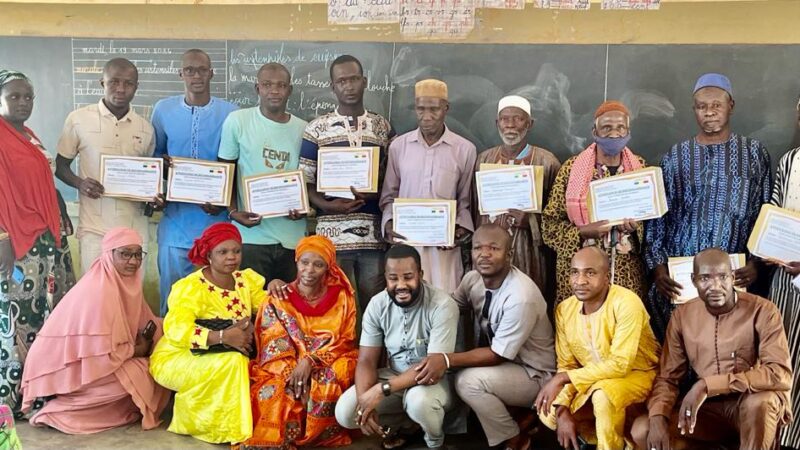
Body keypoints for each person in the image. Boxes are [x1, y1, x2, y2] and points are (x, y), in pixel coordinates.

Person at [644, 73, 772, 341]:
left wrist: (756, 264)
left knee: (733, 349)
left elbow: (765, 212)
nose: (709, 113)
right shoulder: (675, 156)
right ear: (694, 111)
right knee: (683, 348)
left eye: (716, 105)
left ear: (731, 106)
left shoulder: (753, 153)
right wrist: (658, 269)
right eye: (702, 107)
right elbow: (658, 218)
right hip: (683, 278)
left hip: (736, 276)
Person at [632, 248, 792, 450]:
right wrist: (657, 415)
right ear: (694, 280)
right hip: (708, 410)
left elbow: (779, 374)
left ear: (733, 277)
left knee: (760, 403)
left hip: (750, 404)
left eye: (723, 277)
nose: (716, 286)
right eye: (705, 278)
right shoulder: (683, 316)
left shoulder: (763, 310)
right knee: (642, 429)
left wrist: (707, 385)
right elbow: (668, 377)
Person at [413, 223, 556, 450]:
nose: (484, 254)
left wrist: (447, 359)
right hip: (507, 367)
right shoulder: (473, 280)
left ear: (509, 255)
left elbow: (497, 355)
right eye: (478, 248)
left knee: (468, 381)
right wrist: (417, 295)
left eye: (493, 248)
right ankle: (517, 418)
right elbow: (449, 307)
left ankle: (514, 437)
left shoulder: (520, 296)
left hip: (534, 373)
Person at [19, 227, 169, 433]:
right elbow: (100, 355)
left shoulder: (125, 283)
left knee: (163, 352)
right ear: (109, 254)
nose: (133, 261)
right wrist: (138, 351)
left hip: (98, 365)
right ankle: (59, 412)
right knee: (146, 373)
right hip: (74, 373)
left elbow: (146, 321)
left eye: (137, 254)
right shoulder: (100, 290)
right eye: (125, 254)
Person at [0, 69, 76, 418]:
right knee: (20, 319)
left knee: (48, 315)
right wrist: (1, 237)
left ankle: (40, 389)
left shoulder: (27, 134)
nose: (22, 102)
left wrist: (60, 211)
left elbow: (42, 180)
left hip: (46, 238)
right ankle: (13, 398)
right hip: (18, 243)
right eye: (14, 96)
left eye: (27, 96)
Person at [149, 223, 265, 444]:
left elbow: (267, 306)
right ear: (208, 255)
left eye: (236, 251)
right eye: (223, 252)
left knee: (241, 360)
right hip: (178, 356)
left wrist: (276, 290)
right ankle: (225, 430)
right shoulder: (190, 287)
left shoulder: (245, 280)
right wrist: (222, 337)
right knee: (233, 361)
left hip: (224, 350)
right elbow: (176, 329)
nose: (231, 257)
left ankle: (225, 425)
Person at [335, 245, 459, 450]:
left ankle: (435, 441)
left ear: (420, 274)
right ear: (385, 277)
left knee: (419, 401)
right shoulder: (377, 304)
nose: (401, 285)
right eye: (393, 278)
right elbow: (366, 360)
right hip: (394, 376)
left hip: (436, 382)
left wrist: (381, 390)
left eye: (408, 277)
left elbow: (433, 367)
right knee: (346, 413)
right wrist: (366, 400)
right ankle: (408, 424)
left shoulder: (442, 305)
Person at [535, 246, 660, 450]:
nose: (580, 280)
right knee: (547, 410)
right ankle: (608, 440)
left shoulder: (626, 303)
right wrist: (562, 409)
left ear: (606, 276)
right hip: (593, 380)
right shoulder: (565, 309)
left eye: (590, 273)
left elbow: (620, 365)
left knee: (603, 394)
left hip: (639, 375)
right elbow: (567, 364)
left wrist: (562, 379)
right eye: (575, 272)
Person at [240, 235, 358, 449]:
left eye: (318, 264)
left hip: (328, 360)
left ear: (328, 268)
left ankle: (320, 435)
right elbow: (270, 340)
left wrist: (310, 362)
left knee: (334, 377)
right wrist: (293, 373)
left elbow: (345, 340)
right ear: (296, 261)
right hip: (286, 363)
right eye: (305, 262)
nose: (309, 270)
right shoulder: (278, 298)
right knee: (276, 391)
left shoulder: (342, 297)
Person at [300, 55, 393, 312]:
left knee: (376, 309)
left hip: (373, 238)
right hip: (331, 240)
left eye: (353, 79)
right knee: (334, 310)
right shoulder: (316, 129)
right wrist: (328, 206)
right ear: (333, 86)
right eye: (341, 81)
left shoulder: (382, 127)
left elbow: (392, 180)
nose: (348, 86)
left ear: (364, 82)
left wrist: (373, 194)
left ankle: (373, 354)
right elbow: (304, 182)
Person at [150, 49, 238, 315]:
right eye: (190, 70)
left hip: (217, 222)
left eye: (202, 70)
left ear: (212, 73)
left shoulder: (231, 113)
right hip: (176, 223)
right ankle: (170, 354)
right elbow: (155, 158)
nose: (196, 76)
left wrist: (224, 201)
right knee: (174, 300)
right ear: (181, 74)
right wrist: (160, 181)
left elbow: (235, 163)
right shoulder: (163, 110)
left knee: (216, 305)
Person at [55, 58, 157, 274]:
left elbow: (149, 177)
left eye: (128, 83)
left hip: (135, 230)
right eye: (114, 82)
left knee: (130, 298)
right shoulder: (78, 119)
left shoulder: (145, 128)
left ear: (136, 87)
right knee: (94, 299)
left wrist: (153, 197)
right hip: (95, 230)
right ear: (102, 82)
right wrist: (80, 183)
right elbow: (61, 166)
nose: (121, 89)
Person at [542, 100, 647, 305]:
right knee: (581, 332)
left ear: (628, 131)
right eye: (606, 127)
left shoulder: (641, 168)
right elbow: (549, 226)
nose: (614, 134)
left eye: (620, 127)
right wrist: (583, 232)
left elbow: (653, 224)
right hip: (581, 276)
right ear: (594, 131)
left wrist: (635, 230)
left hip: (625, 276)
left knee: (623, 330)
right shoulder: (572, 169)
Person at [380, 79, 476, 294]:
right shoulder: (398, 147)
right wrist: (389, 224)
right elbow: (389, 196)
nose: (427, 116)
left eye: (434, 109)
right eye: (421, 109)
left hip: (444, 250)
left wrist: (459, 231)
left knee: (445, 305)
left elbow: (465, 201)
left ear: (446, 109)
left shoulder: (464, 150)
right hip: (407, 245)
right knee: (407, 303)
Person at [218, 62, 307, 282]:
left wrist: (306, 208)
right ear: (257, 89)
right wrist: (232, 211)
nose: (274, 91)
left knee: (289, 310)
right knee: (253, 309)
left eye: (281, 85)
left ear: (290, 90)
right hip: (251, 237)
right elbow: (226, 169)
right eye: (267, 84)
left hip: (292, 238)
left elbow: (309, 178)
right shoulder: (238, 121)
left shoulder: (305, 129)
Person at [473, 95, 561, 305]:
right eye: (505, 119)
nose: (510, 125)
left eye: (518, 119)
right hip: (488, 251)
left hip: (529, 252)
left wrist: (530, 220)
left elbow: (557, 216)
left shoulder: (547, 162)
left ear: (529, 124)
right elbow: (476, 211)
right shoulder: (483, 160)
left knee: (526, 305)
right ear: (497, 123)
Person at [768, 101, 800, 449]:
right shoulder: (789, 161)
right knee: (783, 356)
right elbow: (772, 213)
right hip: (785, 280)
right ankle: (783, 438)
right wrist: (769, 249)